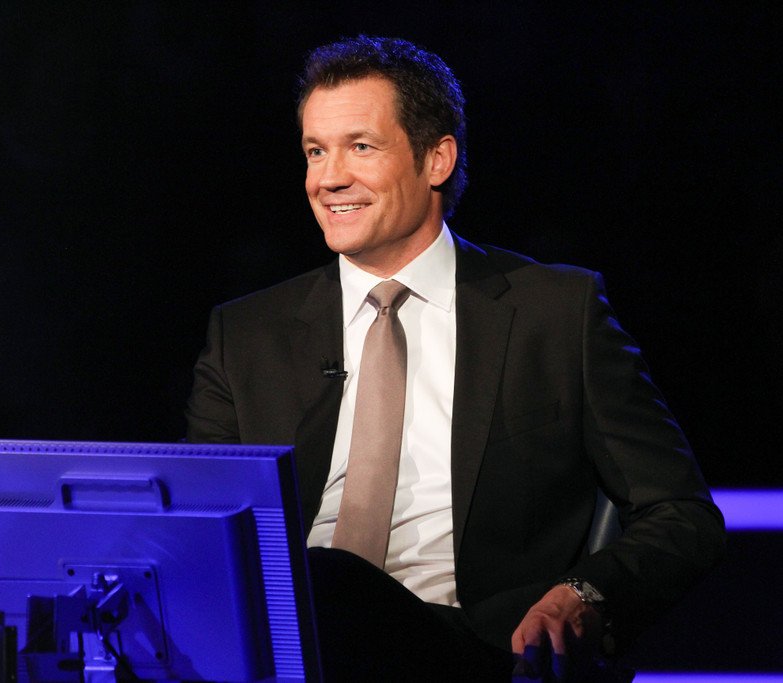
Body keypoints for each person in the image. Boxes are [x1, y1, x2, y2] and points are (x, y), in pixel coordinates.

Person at [185, 35, 725, 680]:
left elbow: (680, 514)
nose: (328, 179)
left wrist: (583, 594)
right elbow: (198, 527)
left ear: (437, 159)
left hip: (473, 649)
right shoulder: (246, 334)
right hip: (290, 644)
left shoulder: (556, 314)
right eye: (315, 151)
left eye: (361, 147)